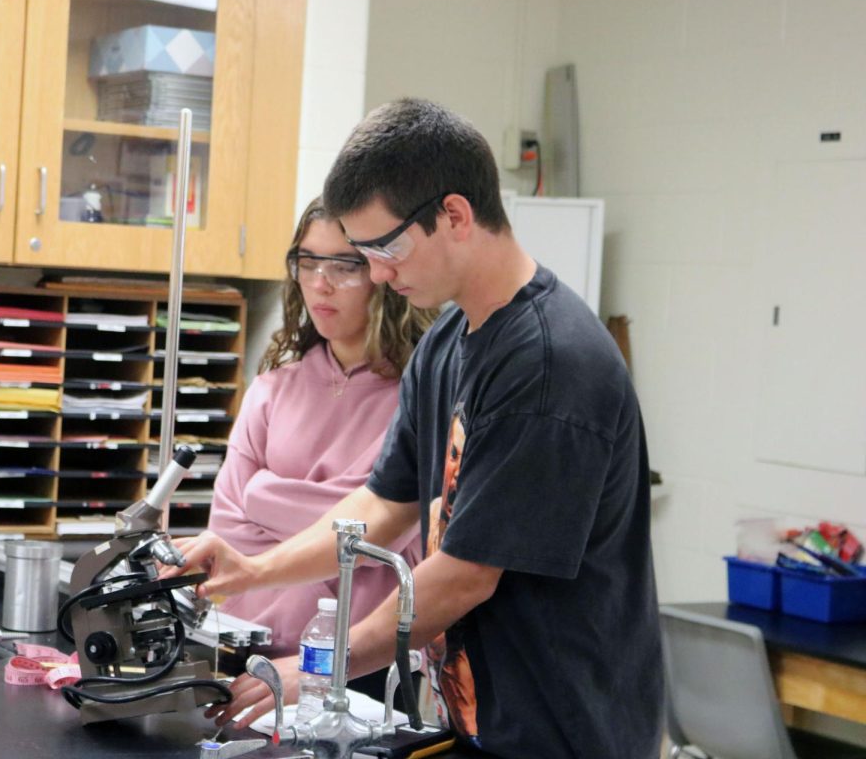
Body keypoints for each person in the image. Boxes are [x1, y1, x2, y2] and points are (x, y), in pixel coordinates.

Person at [168, 99, 663, 759]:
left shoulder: (547, 365)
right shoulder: (450, 342)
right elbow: (382, 507)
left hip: (566, 734)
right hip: (480, 725)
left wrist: (320, 663)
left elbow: (464, 575)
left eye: (385, 248)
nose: (375, 273)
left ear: (454, 215)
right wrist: (252, 571)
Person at [206, 196, 435, 676]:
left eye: (344, 265)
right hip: (253, 652)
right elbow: (229, 530)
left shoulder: (419, 399)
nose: (320, 283)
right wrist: (341, 539)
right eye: (308, 262)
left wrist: (264, 496)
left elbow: (392, 542)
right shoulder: (271, 391)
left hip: (362, 663)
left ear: (383, 274)